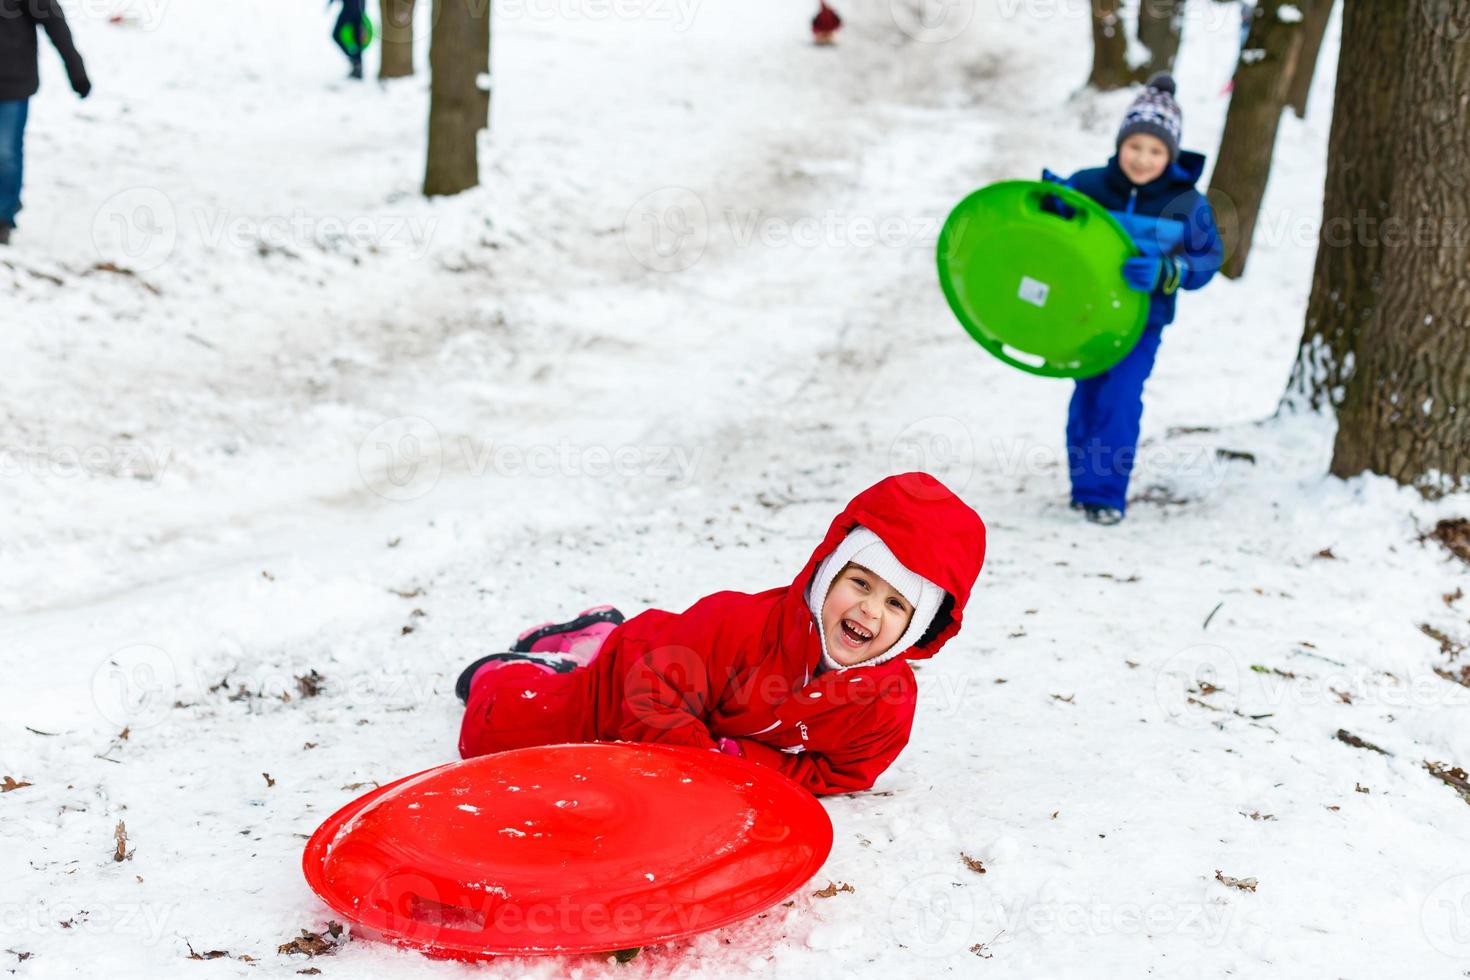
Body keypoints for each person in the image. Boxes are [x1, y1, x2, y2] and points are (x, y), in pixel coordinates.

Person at [455, 473, 986, 796]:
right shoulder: (739, 626)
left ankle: (593, 634)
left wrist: (742, 762)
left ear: (916, 627)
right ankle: (536, 667)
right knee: (490, 735)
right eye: (860, 583)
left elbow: (842, 774)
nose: (869, 609)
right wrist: (708, 761)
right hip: (627, 682)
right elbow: (650, 696)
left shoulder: (884, 706)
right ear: (828, 575)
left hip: (696, 747)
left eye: (896, 604)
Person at [1042, 73, 1223, 525]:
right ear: (1120, 144)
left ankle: (1104, 494)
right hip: (1087, 316)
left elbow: (1207, 258)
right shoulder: (1090, 184)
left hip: (1143, 322)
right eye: (1135, 146)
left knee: (1119, 398)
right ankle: (1084, 486)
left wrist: (1169, 271)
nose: (1143, 159)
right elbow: (1058, 233)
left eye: (1155, 150)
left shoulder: (1186, 203)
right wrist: (1050, 202)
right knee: (1087, 397)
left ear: (1171, 153)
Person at [0, 0, 91, 245]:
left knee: (5, 153)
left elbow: (54, 22)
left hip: (11, 83)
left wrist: (76, 70)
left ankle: (3, 216)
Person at [330, 0, 371, 80]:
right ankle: (357, 65)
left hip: (352, 8)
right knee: (357, 38)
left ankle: (355, 62)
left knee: (336, 34)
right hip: (359, 8)